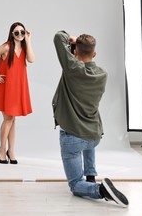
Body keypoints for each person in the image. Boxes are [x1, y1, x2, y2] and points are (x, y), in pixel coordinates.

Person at [52, 30, 129, 207]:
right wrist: (76, 46)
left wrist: (70, 39)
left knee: (75, 185)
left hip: (73, 138)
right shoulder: (102, 74)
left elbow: (58, 37)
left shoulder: (71, 68)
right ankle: (91, 175)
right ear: (94, 54)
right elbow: (82, 61)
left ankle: (100, 190)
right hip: (94, 136)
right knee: (86, 135)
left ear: (75, 52)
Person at [0, 22, 35, 164]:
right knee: (8, 119)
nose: (20, 35)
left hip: (17, 88)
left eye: (22, 32)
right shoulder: (6, 47)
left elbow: (31, 59)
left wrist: (28, 40)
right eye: (17, 32)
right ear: (12, 34)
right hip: (5, 88)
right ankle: (1, 150)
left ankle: (11, 151)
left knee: (12, 120)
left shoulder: (24, 48)